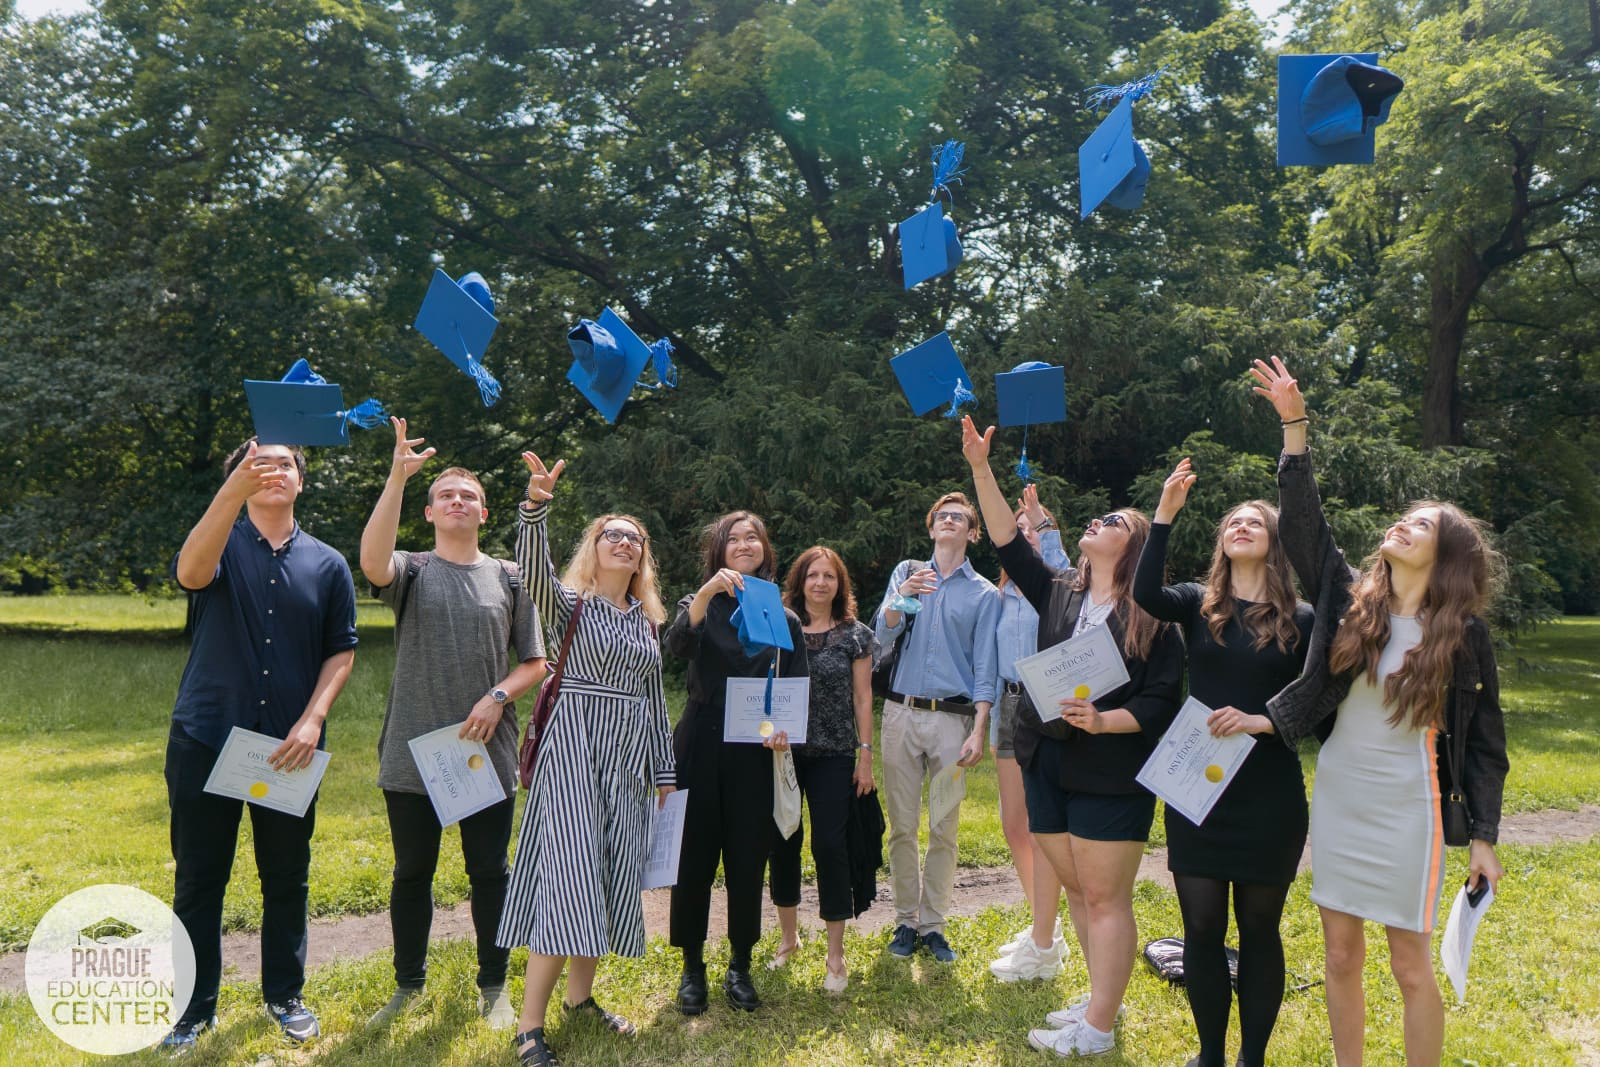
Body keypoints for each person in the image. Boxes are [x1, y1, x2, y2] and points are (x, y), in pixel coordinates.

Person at [1252, 357, 1508, 1067]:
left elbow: (1486, 743)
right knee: (1338, 953)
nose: (1403, 523)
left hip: (1410, 808)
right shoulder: (1348, 597)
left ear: (1446, 552)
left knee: (1409, 965)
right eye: (1405, 516)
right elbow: (1304, 528)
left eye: (1421, 523)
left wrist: (1484, 833)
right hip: (1339, 794)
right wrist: (1295, 428)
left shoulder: (1463, 636)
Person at [960, 415, 1183, 1059]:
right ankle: (1094, 1004)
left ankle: (1101, 1028)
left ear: (1134, 546)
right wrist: (981, 467)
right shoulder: (1059, 591)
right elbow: (1005, 540)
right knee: (1080, 892)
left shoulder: (1153, 613)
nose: (1095, 522)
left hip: (1112, 769)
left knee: (1106, 895)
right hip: (1044, 759)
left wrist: (1105, 720)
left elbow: (1161, 700)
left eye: (1112, 521)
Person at [162, 438, 358, 1052]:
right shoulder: (218, 544)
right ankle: (193, 1010)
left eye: (286, 464)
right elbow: (189, 574)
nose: (275, 472)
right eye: (259, 464)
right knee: (199, 879)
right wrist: (232, 491)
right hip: (205, 736)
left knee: (286, 878)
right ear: (241, 479)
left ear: (302, 480)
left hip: (287, 747)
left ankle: (285, 996)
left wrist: (313, 718)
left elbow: (341, 649)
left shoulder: (328, 564)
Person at [358, 418, 548, 1031]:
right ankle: (407, 984)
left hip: (485, 753)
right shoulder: (411, 569)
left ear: (484, 514)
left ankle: (493, 987)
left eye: (467, 496)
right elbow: (370, 560)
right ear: (431, 512)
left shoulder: (509, 578)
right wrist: (397, 475)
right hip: (415, 755)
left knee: (489, 873)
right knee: (412, 872)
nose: (457, 502)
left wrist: (497, 696)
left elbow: (536, 664)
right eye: (446, 496)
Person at [1131, 458, 1314, 1067]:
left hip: (1269, 797)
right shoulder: (1197, 604)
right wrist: (1164, 514)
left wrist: (1264, 721)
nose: (1240, 526)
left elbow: (1320, 706)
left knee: (1260, 931)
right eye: (1232, 521)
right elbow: (1145, 592)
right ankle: (1211, 1055)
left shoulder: (1303, 620)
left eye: (1254, 521)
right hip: (1197, 792)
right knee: (1202, 930)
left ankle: (1252, 1059)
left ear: (1274, 542)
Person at [495, 451, 676, 1067]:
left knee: (603, 873)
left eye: (634, 539)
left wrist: (664, 771)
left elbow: (653, 701)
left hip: (626, 763)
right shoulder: (570, 604)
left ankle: (580, 1000)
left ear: (642, 558)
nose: (623, 543)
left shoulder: (647, 624)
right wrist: (535, 509)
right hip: (572, 751)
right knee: (568, 879)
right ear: (594, 549)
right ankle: (528, 1027)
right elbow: (532, 571)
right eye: (611, 535)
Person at [665, 511, 807, 1015]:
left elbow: (793, 689)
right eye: (734, 539)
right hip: (701, 742)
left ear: (765, 549)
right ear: (720, 551)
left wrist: (785, 731)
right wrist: (704, 595)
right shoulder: (699, 604)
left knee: (748, 861)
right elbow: (676, 645)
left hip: (756, 750)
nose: (744, 545)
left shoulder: (784, 618)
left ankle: (741, 964)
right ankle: (692, 968)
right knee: (693, 860)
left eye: (753, 538)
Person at [873, 491, 1000, 964]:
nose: (948, 521)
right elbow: (879, 634)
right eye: (941, 516)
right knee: (902, 827)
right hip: (901, 715)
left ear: (971, 533)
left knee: (944, 827)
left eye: (959, 518)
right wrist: (900, 598)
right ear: (931, 529)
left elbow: (986, 665)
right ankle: (905, 921)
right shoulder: (908, 574)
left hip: (953, 720)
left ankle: (934, 926)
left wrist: (979, 727)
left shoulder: (985, 594)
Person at [767, 546, 876, 993]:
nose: (820, 583)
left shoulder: (856, 635)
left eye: (829, 576)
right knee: (783, 842)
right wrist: (768, 728)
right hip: (783, 753)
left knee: (831, 845)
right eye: (812, 575)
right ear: (800, 580)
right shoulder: (779, 628)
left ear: (839, 583)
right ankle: (788, 941)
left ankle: (836, 953)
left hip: (835, 754)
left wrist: (865, 753)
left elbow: (864, 698)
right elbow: (763, 686)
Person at [987, 488, 1074, 983]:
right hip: (1010, 702)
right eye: (1017, 529)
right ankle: (1047, 925)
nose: (1025, 535)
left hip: (1050, 701)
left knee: (1043, 825)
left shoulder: (1062, 584)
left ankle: (1044, 939)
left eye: (1033, 529)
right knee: (1014, 825)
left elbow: (1061, 567)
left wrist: (1041, 522)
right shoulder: (1001, 595)